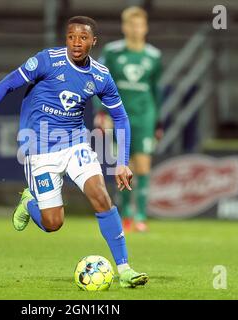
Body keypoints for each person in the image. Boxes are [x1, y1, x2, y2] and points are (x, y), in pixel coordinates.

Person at [0, 16, 148, 288]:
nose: (76, 43)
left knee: (101, 197)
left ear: (94, 41)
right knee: (53, 223)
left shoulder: (100, 76)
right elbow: (7, 84)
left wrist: (122, 162)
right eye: (71, 37)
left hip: (75, 144)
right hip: (38, 148)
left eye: (83, 38)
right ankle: (28, 202)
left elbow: (121, 118)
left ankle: (125, 269)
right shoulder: (47, 60)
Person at [94, 7, 163, 233]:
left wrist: (158, 122)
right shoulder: (112, 53)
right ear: (124, 27)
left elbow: (155, 90)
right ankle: (125, 215)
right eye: (131, 25)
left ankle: (141, 215)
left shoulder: (154, 56)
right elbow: (100, 83)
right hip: (118, 117)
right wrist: (102, 112)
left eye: (139, 25)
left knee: (142, 165)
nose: (135, 29)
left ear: (146, 28)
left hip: (144, 117)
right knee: (121, 167)